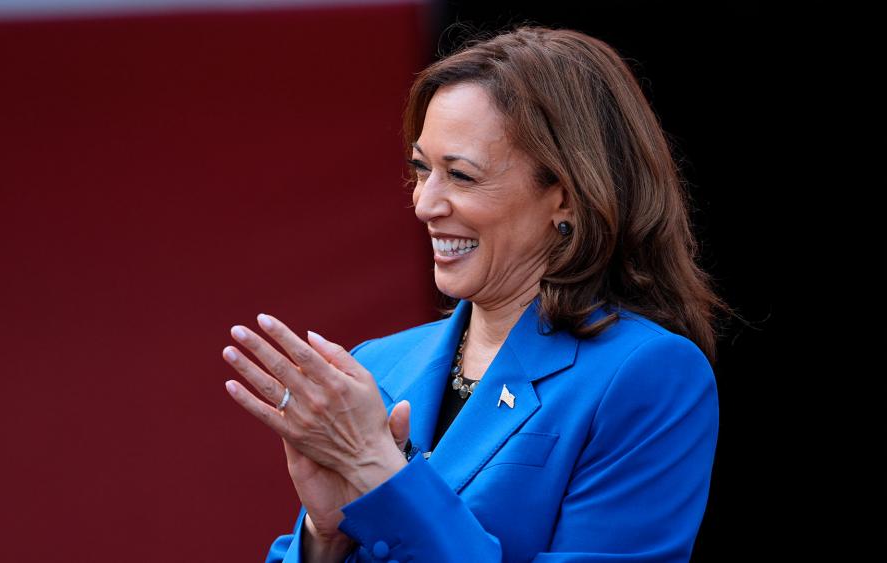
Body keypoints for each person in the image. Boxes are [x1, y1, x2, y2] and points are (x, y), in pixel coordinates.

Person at [222, 24, 736, 563]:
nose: (424, 204)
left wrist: (378, 472)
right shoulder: (375, 365)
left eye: (461, 176)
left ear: (566, 196)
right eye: (421, 169)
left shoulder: (646, 375)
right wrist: (324, 540)